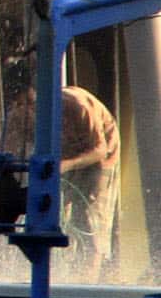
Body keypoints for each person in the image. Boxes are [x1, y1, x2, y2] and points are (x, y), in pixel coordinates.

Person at [7, 83, 120, 276]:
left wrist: (66, 164)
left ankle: (88, 279)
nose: (26, 111)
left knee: (89, 218)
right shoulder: (19, 116)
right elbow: (13, 152)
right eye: (19, 105)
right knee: (58, 214)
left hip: (100, 155)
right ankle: (63, 273)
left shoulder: (77, 106)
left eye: (28, 104)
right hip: (65, 153)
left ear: (36, 96)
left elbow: (99, 150)